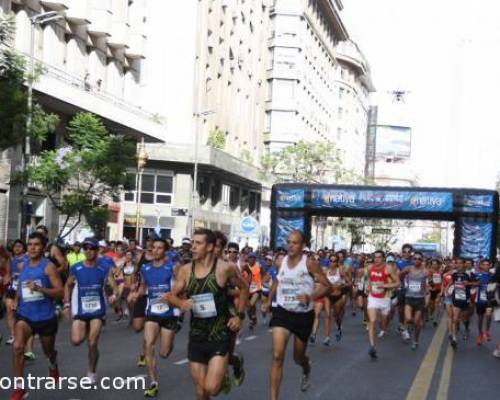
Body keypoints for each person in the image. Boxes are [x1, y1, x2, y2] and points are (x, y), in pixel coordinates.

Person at [168, 229, 249, 400]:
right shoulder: (185, 270)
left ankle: (232, 363)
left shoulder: (225, 269)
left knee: (211, 389)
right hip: (197, 335)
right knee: (200, 391)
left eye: (198, 243)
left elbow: (244, 288)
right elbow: (171, 296)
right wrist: (181, 303)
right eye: (192, 243)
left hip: (220, 333)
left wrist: (238, 316)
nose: (192, 247)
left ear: (210, 247)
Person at [261, 230, 332, 399]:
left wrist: (311, 296)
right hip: (283, 312)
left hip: (303, 316)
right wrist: (268, 301)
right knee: (277, 355)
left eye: (295, 242)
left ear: (302, 245)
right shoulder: (281, 261)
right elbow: (278, 280)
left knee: (298, 357)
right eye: (289, 242)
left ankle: (306, 367)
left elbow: (327, 285)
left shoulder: (309, 264)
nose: (291, 245)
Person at [10, 232, 64, 400]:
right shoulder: (23, 265)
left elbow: (60, 291)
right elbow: (21, 285)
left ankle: (53, 364)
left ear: (43, 247)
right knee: (18, 346)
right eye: (30, 244)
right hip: (25, 315)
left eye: (36, 244)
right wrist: (16, 300)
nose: (32, 247)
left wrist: (40, 289)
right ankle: (20, 388)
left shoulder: (48, 267)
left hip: (45, 317)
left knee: (48, 351)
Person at [63, 237, 117, 384]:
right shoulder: (76, 267)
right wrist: (67, 305)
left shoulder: (104, 267)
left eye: (92, 248)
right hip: (81, 310)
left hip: (97, 311)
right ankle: (87, 330)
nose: (88, 251)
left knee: (92, 343)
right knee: (76, 341)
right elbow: (67, 285)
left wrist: (113, 295)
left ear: (97, 250)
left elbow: (113, 284)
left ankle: (91, 372)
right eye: (85, 248)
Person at [131, 239, 180, 398]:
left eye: (160, 248)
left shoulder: (172, 267)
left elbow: (182, 287)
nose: (156, 250)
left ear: (165, 251)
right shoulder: (145, 268)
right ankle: (153, 383)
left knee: (164, 353)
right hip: (152, 312)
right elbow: (144, 286)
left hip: (169, 313)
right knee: (149, 344)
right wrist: (136, 294)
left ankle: (171, 338)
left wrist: (178, 306)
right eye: (154, 248)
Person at [3, 240, 36, 361]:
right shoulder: (10, 259)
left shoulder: (28, 258)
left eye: (19, 246)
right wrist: (6, 278)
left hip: (25, 289)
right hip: (13, 288)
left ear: (24, 248)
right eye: (15, 246)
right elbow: (7, 272)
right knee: (9, 309)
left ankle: (29, 350)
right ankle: (13, 335)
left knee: (27, 318)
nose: (17, 248)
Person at [366, 250, 400, 360]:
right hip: (373, 298)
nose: (377, 259)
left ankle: (384, 328)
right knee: (372, 320)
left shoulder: (388, 268)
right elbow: (369, 280)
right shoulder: (370, 267)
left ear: (383, 258)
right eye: (375, 257)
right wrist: (368, 287)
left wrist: (384, 286)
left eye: (379, 257)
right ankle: (372, 347)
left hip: (385, 299)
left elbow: (397, 283)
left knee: (383, 321)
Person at [449, 257, 479, 350]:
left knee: (464, 318)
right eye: (456, 263)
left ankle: (466, 328)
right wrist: (447, 289)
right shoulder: (454, 274)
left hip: (466, 300)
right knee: (454, 318)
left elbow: (478, 283)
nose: (458, 265)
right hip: (456, 298)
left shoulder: (470, 274)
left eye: (460, 263)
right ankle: (454, 338)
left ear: (464, 264)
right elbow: (452, 283)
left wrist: (469, 283)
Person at [400, 252, 428, 350]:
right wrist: (403, 284)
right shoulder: (408, 269)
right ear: (412, 260)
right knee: (408, 318)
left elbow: (429, 282)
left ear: (422, 260)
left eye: (419, 259)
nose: (417, 260)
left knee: (416, 322)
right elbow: (400, 275)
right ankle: (405, 330)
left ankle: (416, 340)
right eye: (415, 258)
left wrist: (427, 290)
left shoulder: (425, 271)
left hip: (420, 299)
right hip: (409, 297)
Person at [474, 259, 494, 346]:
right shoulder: (477, 275)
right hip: (480, 300)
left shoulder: (493, 275)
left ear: (490, 266)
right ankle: (480, 334)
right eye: (484, 264)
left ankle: (487, 331)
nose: (486, 266)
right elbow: (472, 285)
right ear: (481, 266)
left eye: (487, 264)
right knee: (480, 318)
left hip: (490, 299)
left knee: (489, 316)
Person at [247, 252, 262, 330]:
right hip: (247, 290)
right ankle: (252, 318)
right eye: (250, 258)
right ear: (248, 259)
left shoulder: (258, 266)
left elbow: (264, 274)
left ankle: (253, 318)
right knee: (249, 308)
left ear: (255, 259)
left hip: (256, 289)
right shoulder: (245, 267)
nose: (251, 259)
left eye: (253, 258)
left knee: (251, 304)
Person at [428, 259, 443, 326]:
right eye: (433, 264)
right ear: (431, 265)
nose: (434, 265)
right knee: (431, 306)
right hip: (431, 290)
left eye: (435, 264)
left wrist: (442, 291)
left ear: (438, 265)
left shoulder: (441, 272)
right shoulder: (429, 271)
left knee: (436, 304)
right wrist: (431, 287)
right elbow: (428, 280)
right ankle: (430, 313)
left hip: (438, 290)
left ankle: (435, 320)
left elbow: (443, 281)